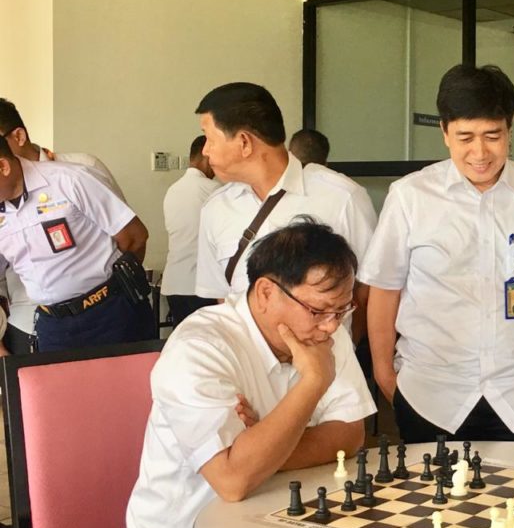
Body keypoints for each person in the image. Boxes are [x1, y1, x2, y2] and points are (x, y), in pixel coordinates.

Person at [121, 220, 375, 528]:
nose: (331, 325)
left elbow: (350, 434)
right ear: (266, 293)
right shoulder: (199, 347)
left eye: (342, 311)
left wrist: (262, 446)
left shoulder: (321, 332)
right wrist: (313, 382)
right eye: (318, 310)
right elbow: (233, 480)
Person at [361, 64, 514, 442]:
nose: (479, 152)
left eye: (492, 136)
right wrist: (386, 376)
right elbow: (385, 290)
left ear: (510, 129)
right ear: (444, 132)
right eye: (465, 137)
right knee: (428, 484)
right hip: (430, 395)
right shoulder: (410, 196)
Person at [194, 82, 377, 340]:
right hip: (249, 362)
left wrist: (345, 347)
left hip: (328, 359)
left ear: (244, 142)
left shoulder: (343, 198)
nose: (205, 151)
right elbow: (222, 296)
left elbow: (368, 289)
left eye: (209, 139)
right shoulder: (216, 209)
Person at [0, 137, 153, 352]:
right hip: (53, 327)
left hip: (111, 315)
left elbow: (135, 236)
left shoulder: (69, 180)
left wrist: (117, 289)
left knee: (129, 374)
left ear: (3, 166)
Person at [161, 135, 220, 327]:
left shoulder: (173, 190)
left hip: (174, 283)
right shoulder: (213, 190)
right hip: (200, 286)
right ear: (207, 156)